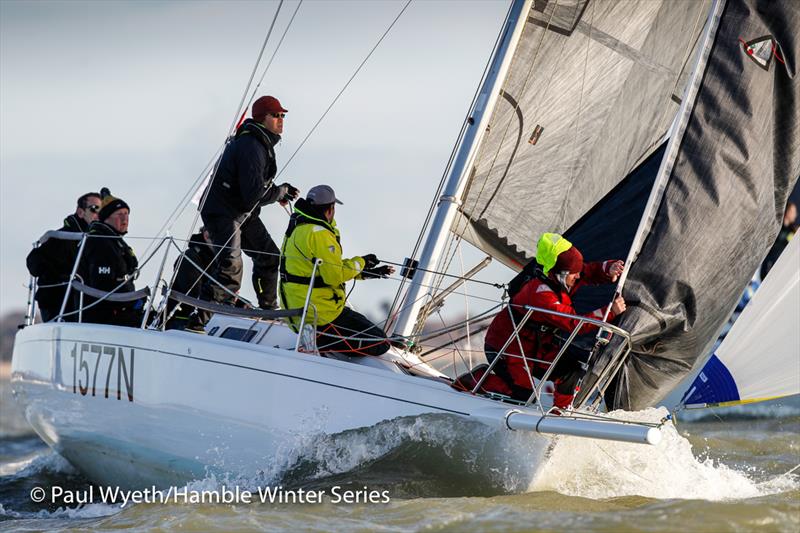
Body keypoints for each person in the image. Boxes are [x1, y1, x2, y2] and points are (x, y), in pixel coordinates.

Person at [455, 233, 626, 410]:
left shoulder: (560, 277)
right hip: (506, 348)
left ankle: (560, 415)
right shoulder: (540, 293)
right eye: (573, 273)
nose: (577, 276)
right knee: (524, 397)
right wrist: (609, 312)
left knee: (571, 371)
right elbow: (572, 323)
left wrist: (608, 269)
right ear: (560, 273)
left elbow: (587, 271)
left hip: (535, 349)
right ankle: (477, 379)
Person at [190, 95, 300, 330]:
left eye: (282, 116)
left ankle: (268, 312)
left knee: (270, 257)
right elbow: (253, 193)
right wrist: (279, 193)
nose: (281, 120)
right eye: (276, 115)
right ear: (262, 118)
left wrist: (279, 192)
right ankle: (200, 323)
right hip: (223, 212)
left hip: (242, 212)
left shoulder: (260, 143)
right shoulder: (252, 145)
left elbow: (254, 186)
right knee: (231, 267)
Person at [279, 185, 395, 356]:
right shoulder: (319, 233)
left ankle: (323, 341)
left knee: (370, 331)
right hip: (319, 315)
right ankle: (320, 344)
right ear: (330, 209)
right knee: (380, 343)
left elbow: (322, 269)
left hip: (307, 307)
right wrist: (361, 262)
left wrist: (366, 273)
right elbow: (333, 276)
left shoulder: (300, 227)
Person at [26, 192, 101, 322]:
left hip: (87, 306)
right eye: (94, 209)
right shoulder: (62, 237)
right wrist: (62, 277)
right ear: (80, 212)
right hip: (59, 305)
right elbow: (34, 260)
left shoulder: (100, 240)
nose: (99, 214)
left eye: (103, 211)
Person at [79, 189, 143, 326]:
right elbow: (102, 286)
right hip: (103, 317)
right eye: (119, 214)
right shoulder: (99, 242)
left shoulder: (114, 241)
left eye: (126, 214)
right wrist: (131, 302)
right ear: (107, 218)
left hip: (120, 310)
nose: (125, 218)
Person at [165, 227, 215, 330]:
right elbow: (194, 295)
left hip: (206, 319)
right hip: (182, 322)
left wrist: (240, 305)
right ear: (206, 235)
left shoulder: (215, 259)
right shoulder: (190, 258)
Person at [761, 201, 797, 280]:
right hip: (764, 261)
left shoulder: (792, 231)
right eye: (793, 212)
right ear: (787, 212)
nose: (795, 215)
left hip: (775, 266)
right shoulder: (775, 226)